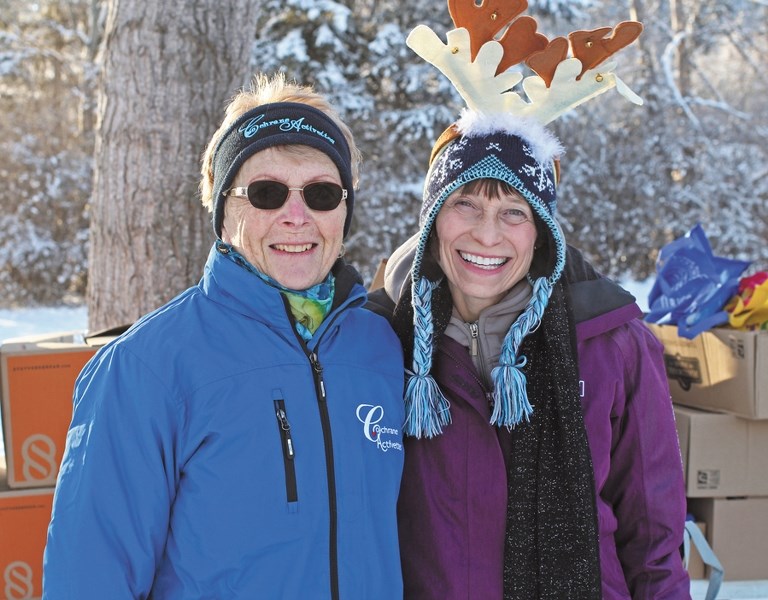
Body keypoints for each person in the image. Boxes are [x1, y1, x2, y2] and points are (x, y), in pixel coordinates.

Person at [367, 4, 692, 599]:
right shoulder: (380, 337)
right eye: (466, 203)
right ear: (433, 215)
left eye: (513, 213)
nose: (487, 235)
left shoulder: (611, 344)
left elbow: (655, 534)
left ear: (541, 230)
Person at [42, 73, 405, 599]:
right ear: (222, 208)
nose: (296, 217)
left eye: (323, 193)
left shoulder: (381, 348)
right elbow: (88, 581)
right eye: (266, 193)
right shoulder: (147, 367)